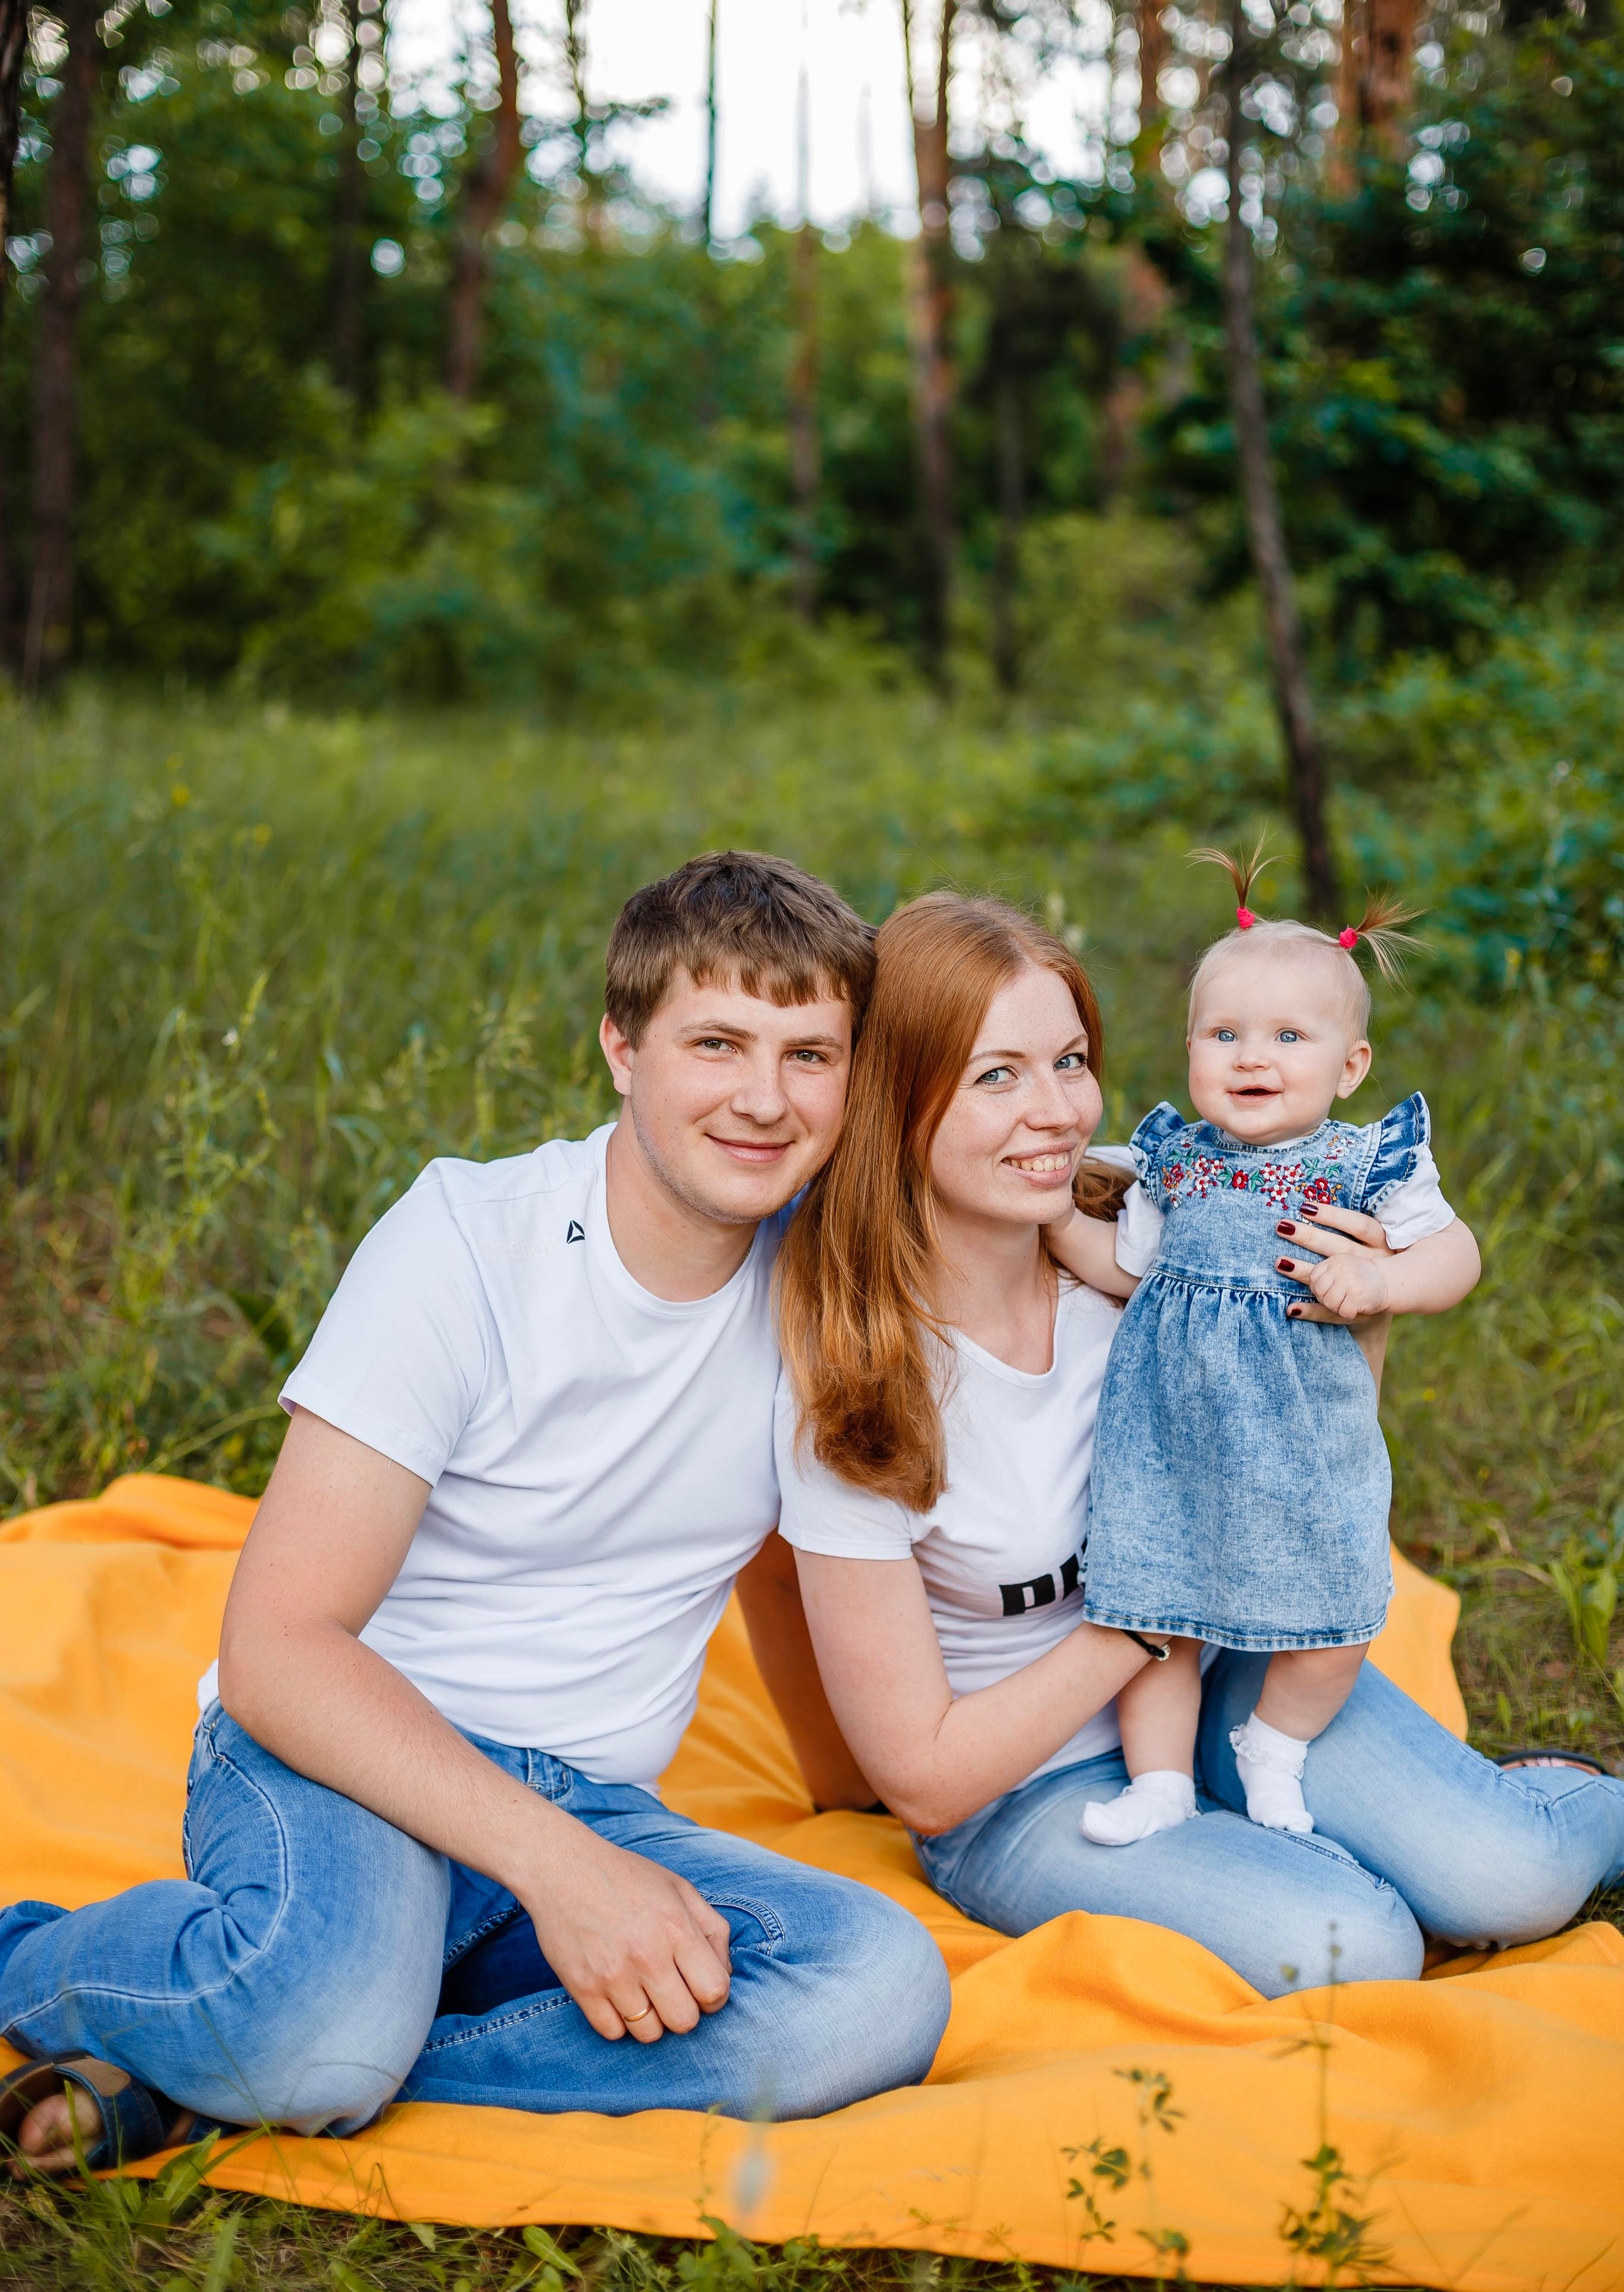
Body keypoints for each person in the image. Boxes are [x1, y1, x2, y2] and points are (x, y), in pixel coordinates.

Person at [0, 853, 950, 2177]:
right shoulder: (465, 1241)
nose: (761, 1098)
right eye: (716, 1042)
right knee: (322, 2020)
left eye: (808, 1055)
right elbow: (283, 1650)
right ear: (620, 1046)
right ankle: (36, 1960)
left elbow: (1047, 1184)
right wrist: (565, 1875)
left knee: (874, 1988)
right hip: (348, 1756)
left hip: (592, 1800)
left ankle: (273, 2072)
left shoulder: (822, 1288)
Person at [774, 889, 1624, 1999]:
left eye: (1070, 1060)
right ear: (897, 1099)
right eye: (997, 1075)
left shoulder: (1170, 1210)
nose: (1055, 1113)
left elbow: (1326, 1410)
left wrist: (1360, 1305)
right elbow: (925, 1782)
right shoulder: (861, 1382)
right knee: (1354, 1946)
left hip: (1242, 1663)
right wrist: (1148, 1608)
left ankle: (1561, 1794)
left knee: (1508, 1881)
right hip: (1026, 1784)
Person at [1047, 848, 1481, 1844]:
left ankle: (1272, 1746)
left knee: (1341, 1611)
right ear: (1190, 1047)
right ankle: (1159, 1781)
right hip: (1175, 1438)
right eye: (1225, 1033)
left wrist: (1381, 1282)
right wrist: (1049, 1224)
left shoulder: (1363, 1162)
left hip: (1306, 1448)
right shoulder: (1176, 1163)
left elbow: (1455, 1255)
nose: (1253, 1057)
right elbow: (1131, 1272)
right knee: (1155, 1618)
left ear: (1350, 1065)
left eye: (1289, 1036)